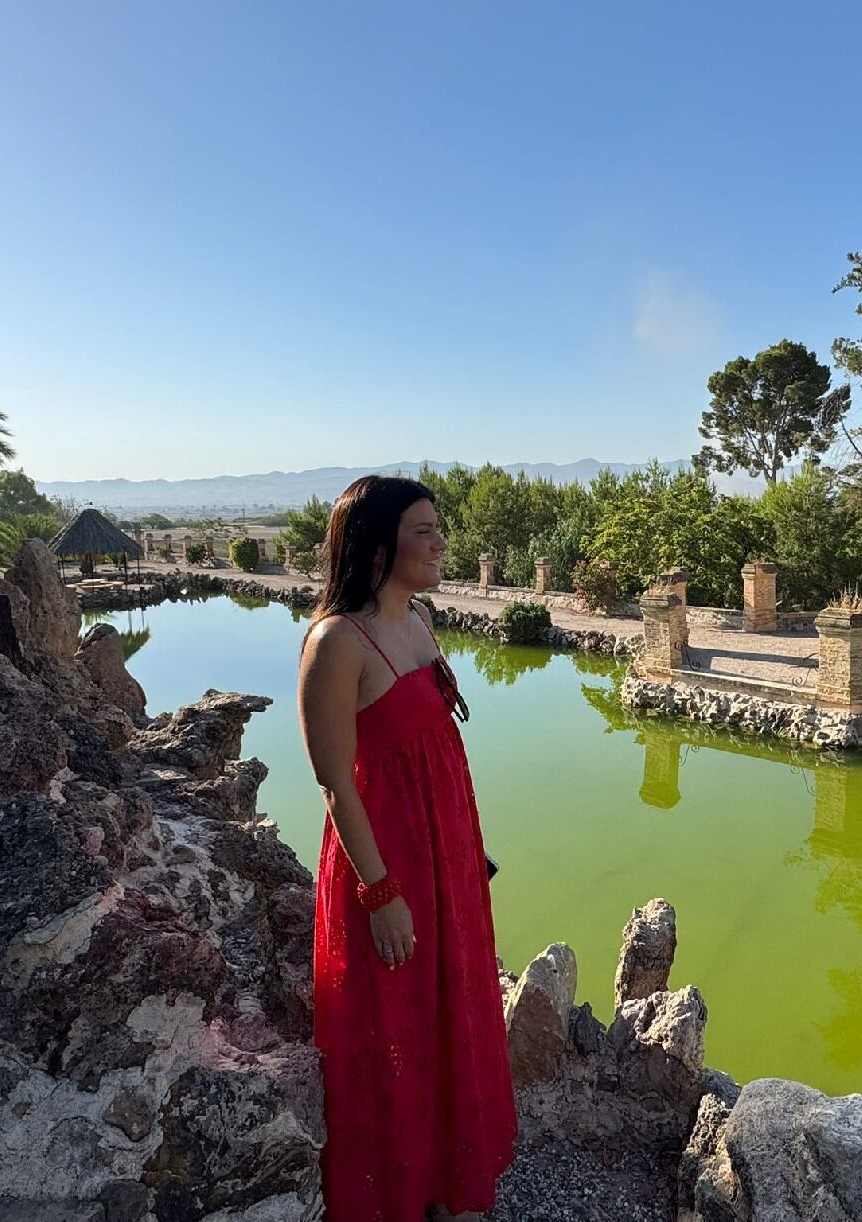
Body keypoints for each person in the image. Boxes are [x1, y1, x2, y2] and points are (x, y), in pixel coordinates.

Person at [297, 475, 517, 1220]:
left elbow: (433, 751)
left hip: (443, 852)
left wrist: (468, 852)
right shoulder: (336, 643)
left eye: (437, 528)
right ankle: (389, 1191)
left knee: (446, 1013)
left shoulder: (418, 619)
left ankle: (445, 1179)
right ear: (380, 542)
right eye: (425, 529)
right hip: (383, 864)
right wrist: (380, 893)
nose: (440, 542)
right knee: (392, 1025)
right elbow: (335, 783)